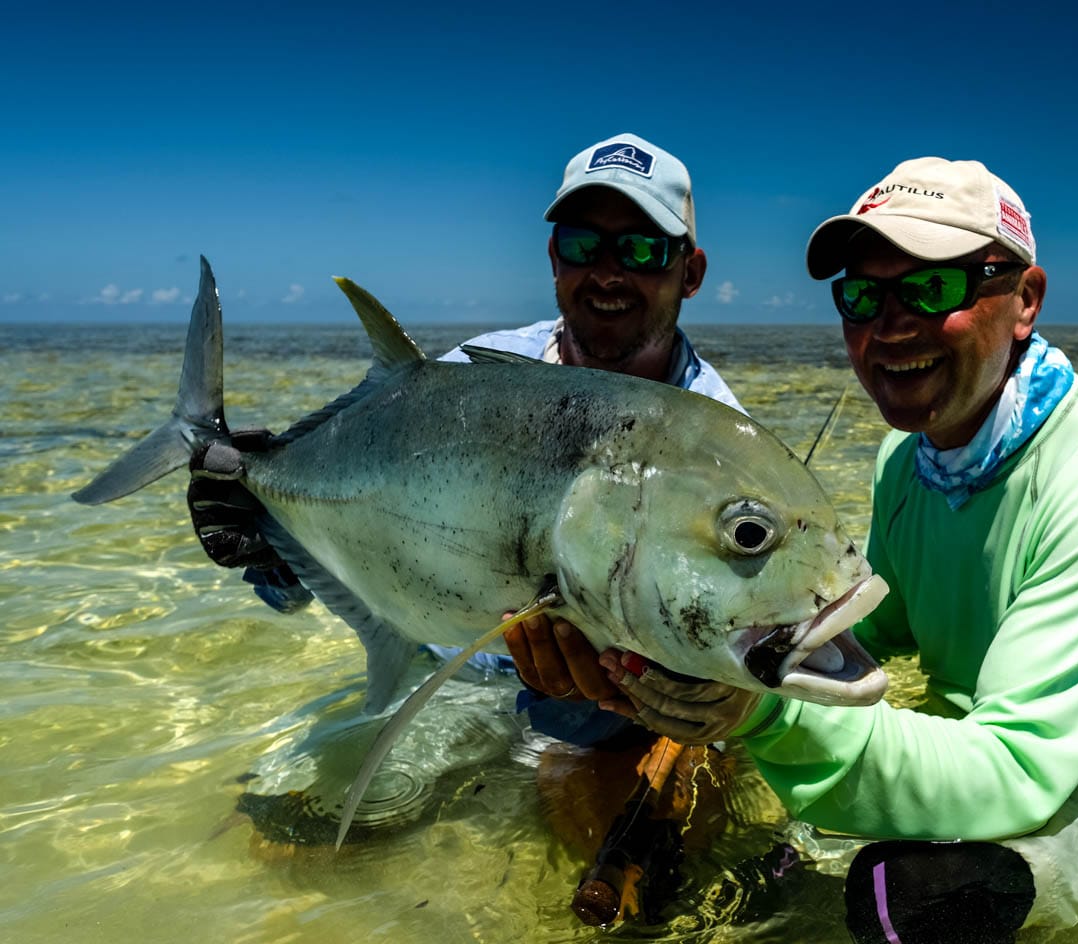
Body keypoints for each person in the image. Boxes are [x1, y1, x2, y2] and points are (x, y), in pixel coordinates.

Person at [596, 157, 1078, 941]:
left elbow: (1020, 769)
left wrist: (761, 715)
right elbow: (876, 634)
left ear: (1025, 300)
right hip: (984, 738)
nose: (889, 325)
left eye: (933, 288)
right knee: (761, 885)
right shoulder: (906, 459)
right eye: (863, 295)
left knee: (912, 902)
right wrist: (712, 652)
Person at [188, 132, 746, 809]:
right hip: (446, 683)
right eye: (581, 244)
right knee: (286, 850)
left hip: (602, 729)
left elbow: (746, 648)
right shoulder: (465, 382)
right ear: (552, 257)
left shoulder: (726, 456)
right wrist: (266, 549)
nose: (607, 272)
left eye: (641, 249)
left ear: (690, 272)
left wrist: (714, 698)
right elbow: (334, 574)